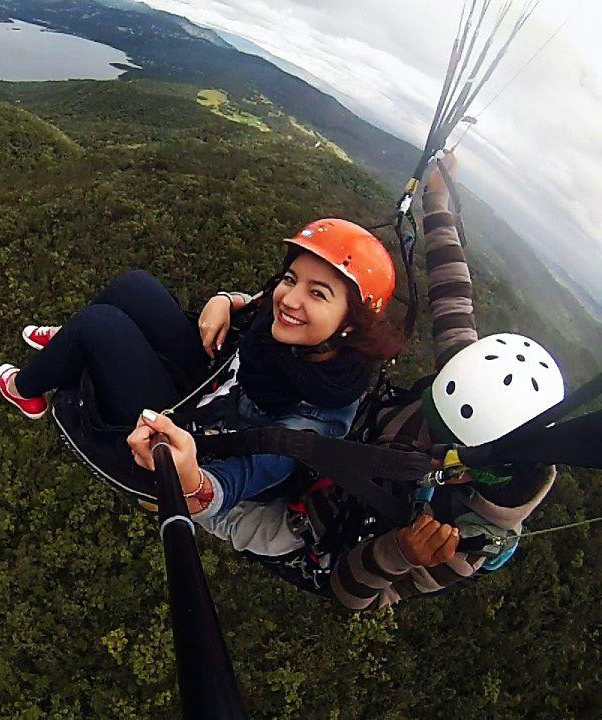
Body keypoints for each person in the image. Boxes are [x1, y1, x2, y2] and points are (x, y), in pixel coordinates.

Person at [128, 152, 566, 610]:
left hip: (310, 527)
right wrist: (438, 198)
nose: (430, 426)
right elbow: (451, 289)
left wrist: (399, 552)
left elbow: (350, 593)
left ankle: (163, 487)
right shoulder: (476, 378)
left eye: (442, 430)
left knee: (217, 503)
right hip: (329, 444)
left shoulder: (462, 540)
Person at [0, 218, 402, 508]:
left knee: (99, 326)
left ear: (352, 323)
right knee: (134, 286)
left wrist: (190, 478)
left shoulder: (321, 414)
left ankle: (25, 391)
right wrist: (227, 300)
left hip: (194, 437)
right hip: (214, 381)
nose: (291, 299)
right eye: (291, 279)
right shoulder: (296, 330)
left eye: (319, 294)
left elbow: (236, 480)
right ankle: (70, 346)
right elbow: (262, 299)